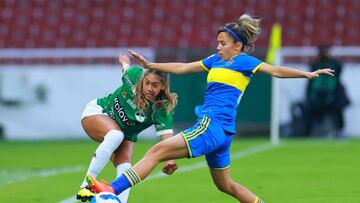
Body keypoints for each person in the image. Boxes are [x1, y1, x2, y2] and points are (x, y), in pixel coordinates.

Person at [86, 14, 334, 203]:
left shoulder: (244, 61)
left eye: (222, 43)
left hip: (212, 124)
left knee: (156, 151)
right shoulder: (215, 61)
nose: (217, 47)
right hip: (223, 132)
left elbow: (274, 70)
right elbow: (184, 68)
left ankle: (110, 191)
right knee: (225, 185)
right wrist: (152, 63)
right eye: (217, 42)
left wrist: (306, 74)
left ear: (237, 45)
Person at [76, 54, 179, 202]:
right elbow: (126, 68)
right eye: (147, 83)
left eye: (155, 85)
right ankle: (86, 185)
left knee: (127, 171)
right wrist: (124, 61)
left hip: (123, 134)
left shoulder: (160, 109)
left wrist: (169, 161)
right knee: (115, 135)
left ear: (163, 86)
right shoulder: (133, 77)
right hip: (98, 113)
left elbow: (167, 141)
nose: (149, 88)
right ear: (142, 80)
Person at [305, 45, 350, 137]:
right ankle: (316, 131)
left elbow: (339, 69)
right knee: (315, 112)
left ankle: (340, 131)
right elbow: (310, 78)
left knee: (338, 111)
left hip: (333, 94)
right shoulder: (315, 65)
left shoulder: (334, 64)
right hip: (318, 94)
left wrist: (330, 58)